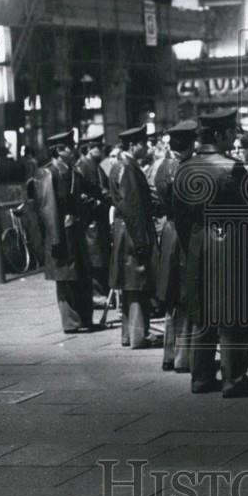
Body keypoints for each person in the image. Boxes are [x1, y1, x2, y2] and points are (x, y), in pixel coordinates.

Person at [173, 108, 248, 396]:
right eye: (231, 133)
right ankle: (234, 379)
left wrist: (193, 242)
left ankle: (201, 377)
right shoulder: (233, 167)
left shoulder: (185, 167)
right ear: (218, 135)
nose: (233, 138)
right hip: (229, 243)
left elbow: (178, 216)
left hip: (196, 242)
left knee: (201, 312)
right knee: (231, 311)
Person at [107, 125, 160, 349]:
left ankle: (128, 334)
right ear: (133, 145)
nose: (147, 147)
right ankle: (139, 335)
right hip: (133, 231)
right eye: (143, 143)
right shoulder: (129, 168)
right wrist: (142, 241)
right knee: (138, 284)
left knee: (129, 286)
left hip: (123, 231)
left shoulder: (118, 165)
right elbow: (135, 207)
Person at [35, 132, 93, 334]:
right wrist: (55, 239)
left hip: (75, 231)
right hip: (61, 233)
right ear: (58, 151)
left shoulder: (74, 172)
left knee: (83, 275)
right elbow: (47, 209)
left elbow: (89, 191)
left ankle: (85, 318)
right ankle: (71, 322)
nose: (73, 150)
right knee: (66, 279)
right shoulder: (47, 173)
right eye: (68, 147)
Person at [154, 120, 198, 372]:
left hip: (169, 233)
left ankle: (169, 354)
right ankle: (184, 357)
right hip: (184, 236)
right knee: (185, 296)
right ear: (190, 143)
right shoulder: (185, 169)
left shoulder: (162, 168)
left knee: (173, 298)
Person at [76, 133, 113, 302]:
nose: (102, 150)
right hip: (91, 219)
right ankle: (96, 293)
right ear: (90, 149)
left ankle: (101, 291)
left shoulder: (96, 166)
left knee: (101, 255)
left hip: (99, 219)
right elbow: (80, 194)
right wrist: (97, 201)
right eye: (98, 147)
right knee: (95, 257)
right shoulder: (82, 166)